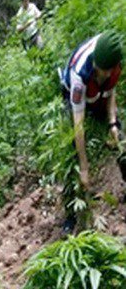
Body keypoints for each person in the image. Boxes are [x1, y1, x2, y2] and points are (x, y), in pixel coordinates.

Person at [60, 31, 123, 229]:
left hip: (99, 94)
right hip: (75, 95)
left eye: (106, 70)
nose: (102, 72)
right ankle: (71, 215)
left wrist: (112, 122)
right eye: (99, 69)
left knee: (121, 137)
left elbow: (112, 91)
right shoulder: (80, 75)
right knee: (72, 156)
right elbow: (78, 125)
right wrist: (85, 167)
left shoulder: (114, 62)